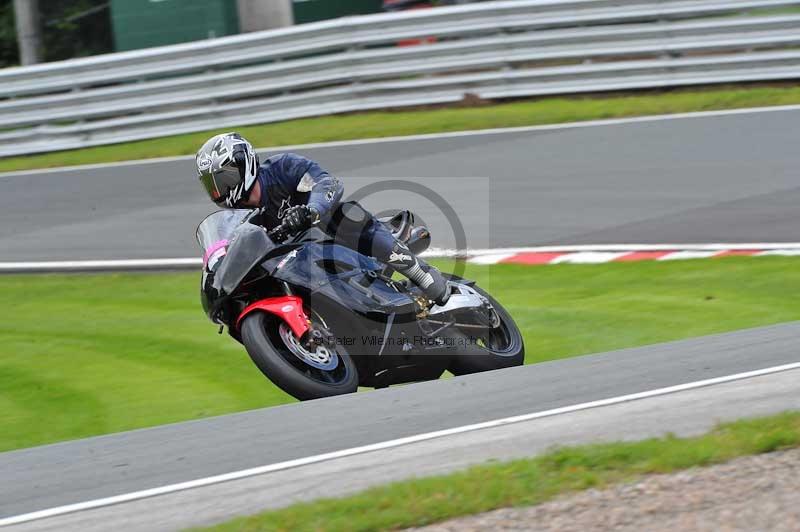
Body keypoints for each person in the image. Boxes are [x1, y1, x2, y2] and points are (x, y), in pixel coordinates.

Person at [196, 132, 450, 305]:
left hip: (331, 236)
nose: (219, 191)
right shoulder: (237, 218)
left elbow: (327, 183)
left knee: (343, 215)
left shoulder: (282, 168)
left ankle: (418, 272)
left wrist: (311, 210)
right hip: (301, 264)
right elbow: (228, 249)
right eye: (213, 185)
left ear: (244, 165)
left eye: (223, 180)